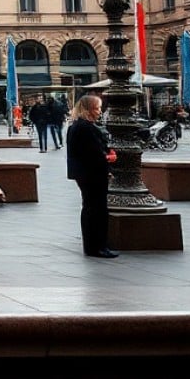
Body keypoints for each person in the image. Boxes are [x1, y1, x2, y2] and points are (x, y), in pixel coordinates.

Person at [66, 94, 117, 258]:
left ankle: (92, 246)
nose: (99, 112)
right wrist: (109, 157)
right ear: (88, 110)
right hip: (92, 174)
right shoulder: (86, 128)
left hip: (83, 173)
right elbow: (93, 154)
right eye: (97, 108)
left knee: (89, 208)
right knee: (97, 209)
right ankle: (98, 246)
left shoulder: (75, 126)